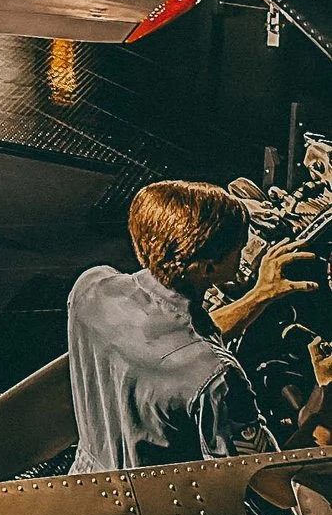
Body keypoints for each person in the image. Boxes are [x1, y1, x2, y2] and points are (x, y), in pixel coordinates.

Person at [69, 180, 332, 472]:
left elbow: (173, 334)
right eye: (240, 248)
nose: (245, 252)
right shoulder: (217, 378)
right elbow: (270, 482)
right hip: (165, 511)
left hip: (90, 478)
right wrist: (322, 403)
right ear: (208, 268)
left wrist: (260, 295)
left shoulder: (91, 288)